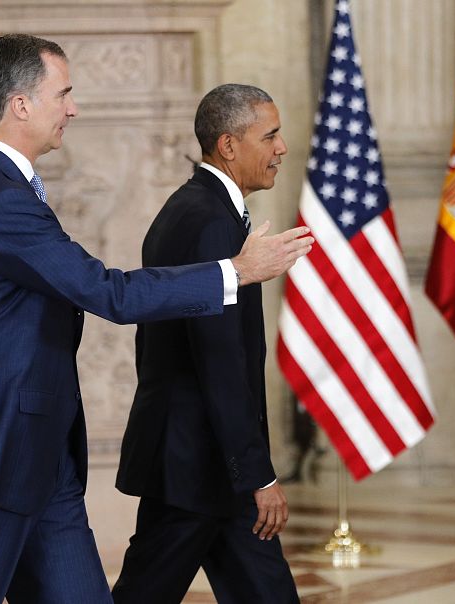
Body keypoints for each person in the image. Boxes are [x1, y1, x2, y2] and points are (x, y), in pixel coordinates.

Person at [0, 36, 311, 604]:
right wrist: (235, 273)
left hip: (42, 452)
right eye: (63, 94)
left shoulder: (2, 189)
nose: (72, 108)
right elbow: (108, 292)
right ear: (21, 104)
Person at [112, 84, 300, 604]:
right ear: (229, 145)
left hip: (208, 465)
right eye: (271, 135)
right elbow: (220, 361)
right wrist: (259, 475)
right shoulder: (210, 221)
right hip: (195, 469)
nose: (281, 148)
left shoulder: (194, 208)